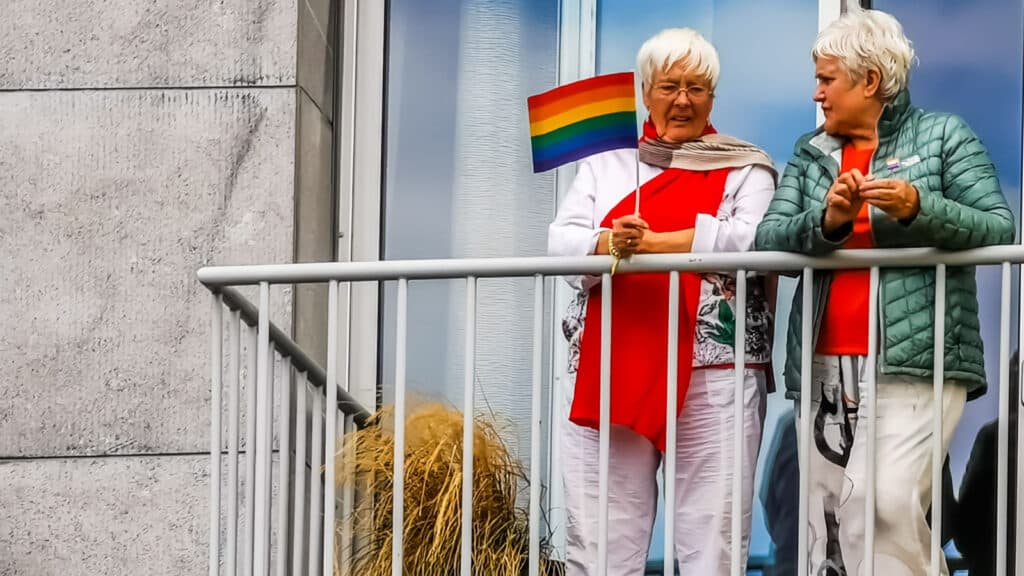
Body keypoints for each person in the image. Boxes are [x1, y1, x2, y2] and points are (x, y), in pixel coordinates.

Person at [754, 6, 1014, 575]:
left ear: (869, 80)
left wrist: (919, 207)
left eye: (828, 79)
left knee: (888, 505)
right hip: (825, 364)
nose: (818, 93)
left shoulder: (944, 135)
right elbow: (770, 238)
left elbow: (999, 225)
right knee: (829, 527)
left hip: (918, 358)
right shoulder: (810, 151)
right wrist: (829, 220)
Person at [549, 27, 777, 575]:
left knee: (713, 541)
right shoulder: (607, 165)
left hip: (713, 370)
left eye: (697, 88)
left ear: (713, 98)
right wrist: (608, 240)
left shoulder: (746, 166)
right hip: (612, 365)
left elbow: (755, 240)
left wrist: (655, 243)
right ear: (646, 92)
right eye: (670, 86)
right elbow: (561, 244)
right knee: (601, 541)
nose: (682, 100)